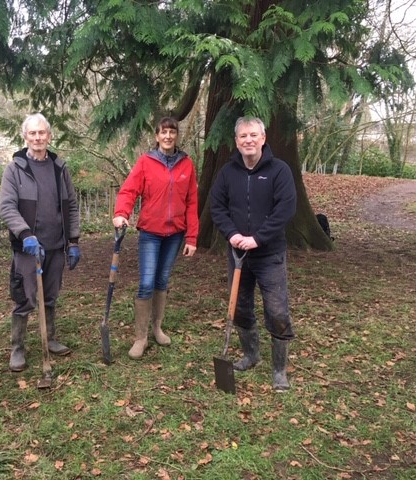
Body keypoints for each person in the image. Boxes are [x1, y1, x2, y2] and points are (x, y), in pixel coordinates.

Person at [209, 116, 296, 392]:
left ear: (263, 139)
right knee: (241, 307)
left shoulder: (279, 171)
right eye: (243, 136)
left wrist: (258, 238)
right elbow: (217, 206)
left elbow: (286, 208)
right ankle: (251, 354)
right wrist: (233, 235)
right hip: (237, 254)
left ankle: (279, 370)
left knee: (277, 311)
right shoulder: (227, 172)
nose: (248, 140)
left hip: (269, 254)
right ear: (236, 141)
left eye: (253, 135)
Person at [0, 113, 81, 372]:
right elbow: (7, 207)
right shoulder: (15, 168)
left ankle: (50, 338)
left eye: (42, 133)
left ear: (49, 136)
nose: (37, 138)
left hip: (56, 246)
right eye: (32, 133)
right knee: (25, 298)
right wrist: (25, 234)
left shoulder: (60, 168)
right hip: (27, 248)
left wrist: (74, 240)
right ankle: (17, 348)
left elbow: (71, 206)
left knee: (51, 297)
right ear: (25, 137)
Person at [112, 117, 199, 360]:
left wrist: (191, 237)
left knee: (162, 280)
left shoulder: (187, 165)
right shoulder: (146, 162)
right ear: (157, 136)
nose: (168, 136)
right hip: (150, 232)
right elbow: (129, 190)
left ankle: (157, 328)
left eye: (172, 132)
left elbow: (192, 202)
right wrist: (121, 214)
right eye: (164, 132)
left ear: (177, 136)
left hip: (175, 234)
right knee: (147, 282)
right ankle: (140, 337)